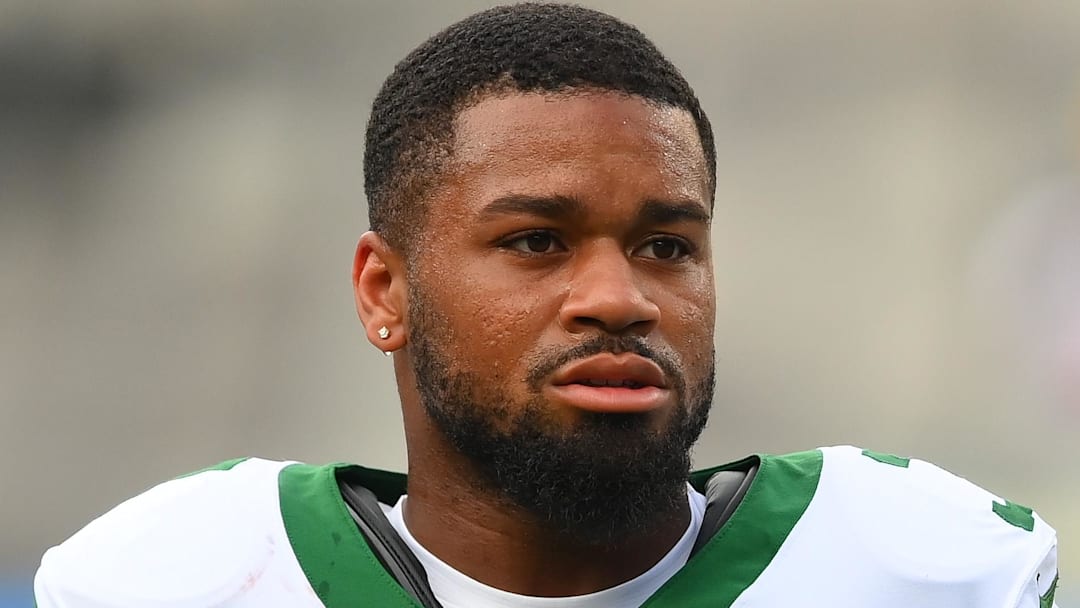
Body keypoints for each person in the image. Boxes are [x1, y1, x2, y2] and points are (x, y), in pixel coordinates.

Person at [34, 4, 1059, 607]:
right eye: (536, 242)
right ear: (383, 290)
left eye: (668, 245)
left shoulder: (930, 571)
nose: (618, 298)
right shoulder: (170, 578)